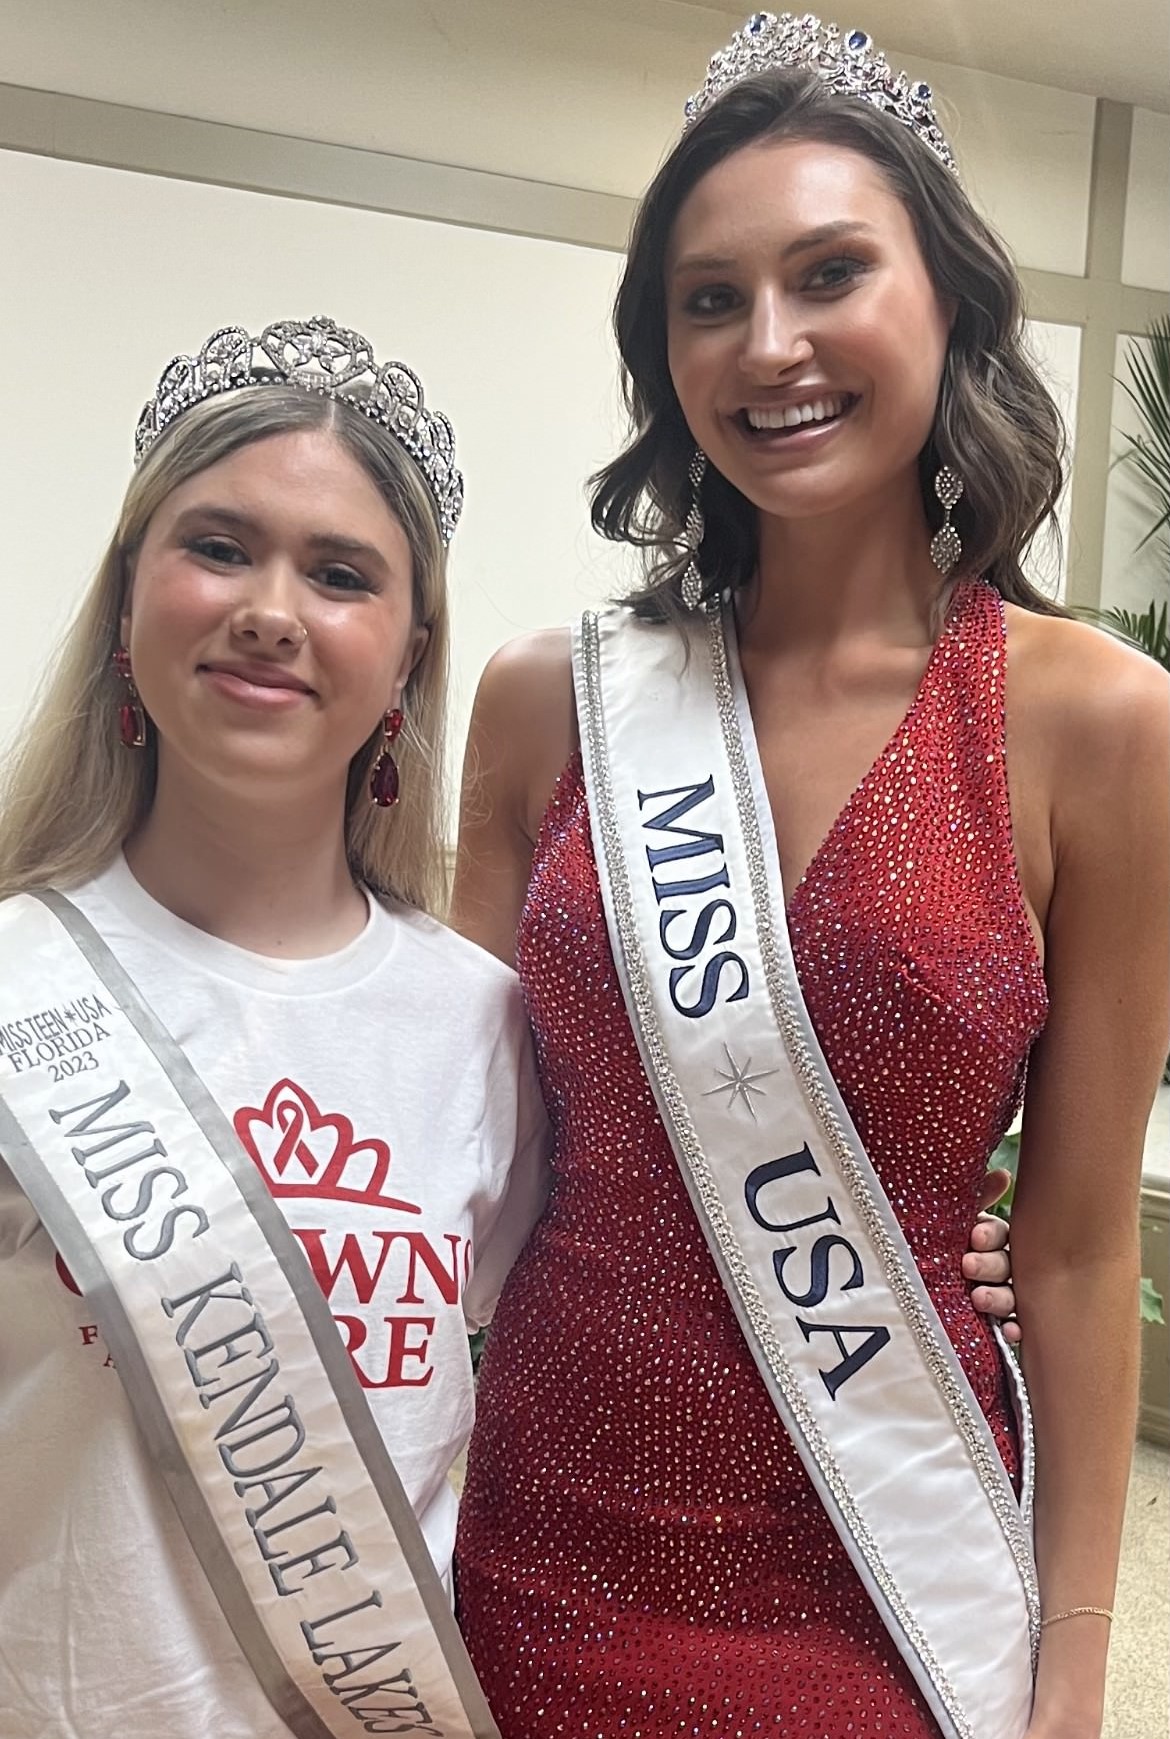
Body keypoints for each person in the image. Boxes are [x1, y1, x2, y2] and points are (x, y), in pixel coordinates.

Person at [451, 15, 1170, 1739]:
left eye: (829, 272)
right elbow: (449, 1141)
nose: (769, 344)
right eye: (708, 297)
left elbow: (1071, 1256)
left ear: (950, 306)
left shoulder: (1101, 724)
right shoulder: (555, 700)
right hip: (532, 1535)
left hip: (880, 1559)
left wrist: (1071, 1669)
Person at [0, 316, 548, 1739]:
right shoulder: (14, 984)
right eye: (220, 547)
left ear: (409, 652)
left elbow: (602, 1331)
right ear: (130, 604)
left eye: (342, 572)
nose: (271, 608)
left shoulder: (488, 1027)